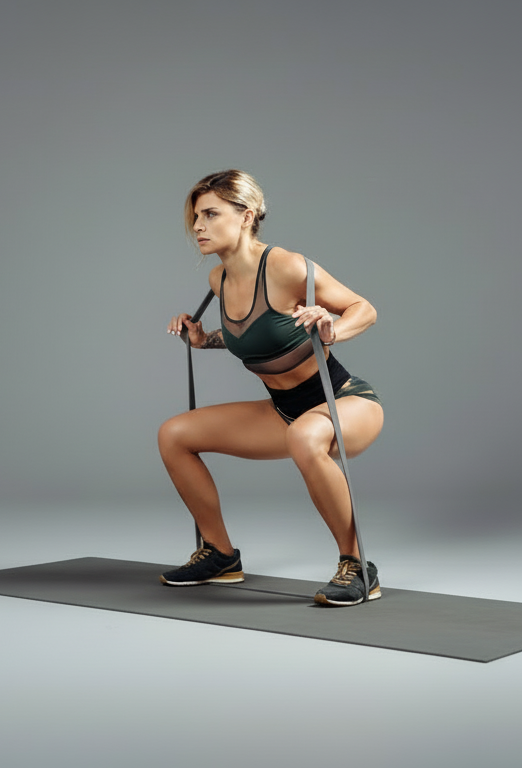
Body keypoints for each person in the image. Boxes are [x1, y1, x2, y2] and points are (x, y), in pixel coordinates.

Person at [159, 170, 385, 606]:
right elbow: (256, 338)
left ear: (245, 216)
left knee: (304, 435)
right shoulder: (218, 280)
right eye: (195, 218)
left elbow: (365, 309)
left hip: (344, 402)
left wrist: (333, 329)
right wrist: (203, 340)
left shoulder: (286, 266)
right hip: (284, 411)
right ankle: (221, 554)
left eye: (210, 214)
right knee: (174, 434)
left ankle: (358, 566)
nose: (198, 227)